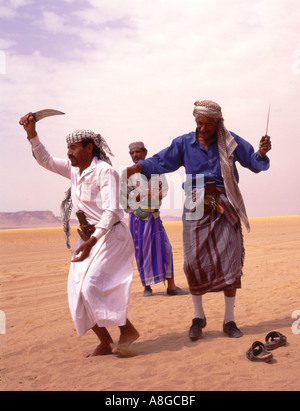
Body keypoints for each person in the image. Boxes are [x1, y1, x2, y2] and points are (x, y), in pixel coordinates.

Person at [126, 100, 271, 340]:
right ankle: (198, 317)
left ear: (218, 123)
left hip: (224, 203)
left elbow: (254, 162)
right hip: (195, 204)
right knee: (193, 262)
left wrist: (262, 153)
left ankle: (229, 320)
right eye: (199, 123)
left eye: (208, 124)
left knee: (231, 261)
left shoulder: (229, 141)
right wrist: (138, 167)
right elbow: (160, 161)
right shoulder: (184, 143)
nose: (203, 129)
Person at [19, 113, 139, 356]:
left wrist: (93, 240)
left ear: (88, 148)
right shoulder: (74, 170)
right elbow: (45, 160)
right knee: (76, 291)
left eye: (73, 147)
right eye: (68, 148)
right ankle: (105, 342)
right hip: (87, 240)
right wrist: (31, 133)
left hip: (110, 238)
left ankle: (127, 329)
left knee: (91, 286)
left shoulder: (105, 172)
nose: (69, 152)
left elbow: (112, 211)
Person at [126, 141, 188, 297]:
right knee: (142, 253)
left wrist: (143, 194)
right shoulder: (128, 175)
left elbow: (163, 191)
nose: (135, 155)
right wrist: (146, 194)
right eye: (132, 153)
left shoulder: (157, 171)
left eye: (138, 152)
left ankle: (171, 287)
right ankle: (146, 287)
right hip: (137, 219)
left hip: (154, 216)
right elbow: (125, 199)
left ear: (145, 153)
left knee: (166, 249)